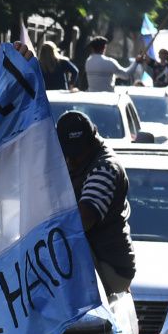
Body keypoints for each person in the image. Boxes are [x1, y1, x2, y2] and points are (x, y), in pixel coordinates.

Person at [57, 110, 135, 295]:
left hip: (107, 264)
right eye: (68, 151)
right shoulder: (76, 162)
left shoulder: (104, 168)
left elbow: (84, 220)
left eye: (78, 151)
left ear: (92, 140)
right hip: (97, 260)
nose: (72, 158)